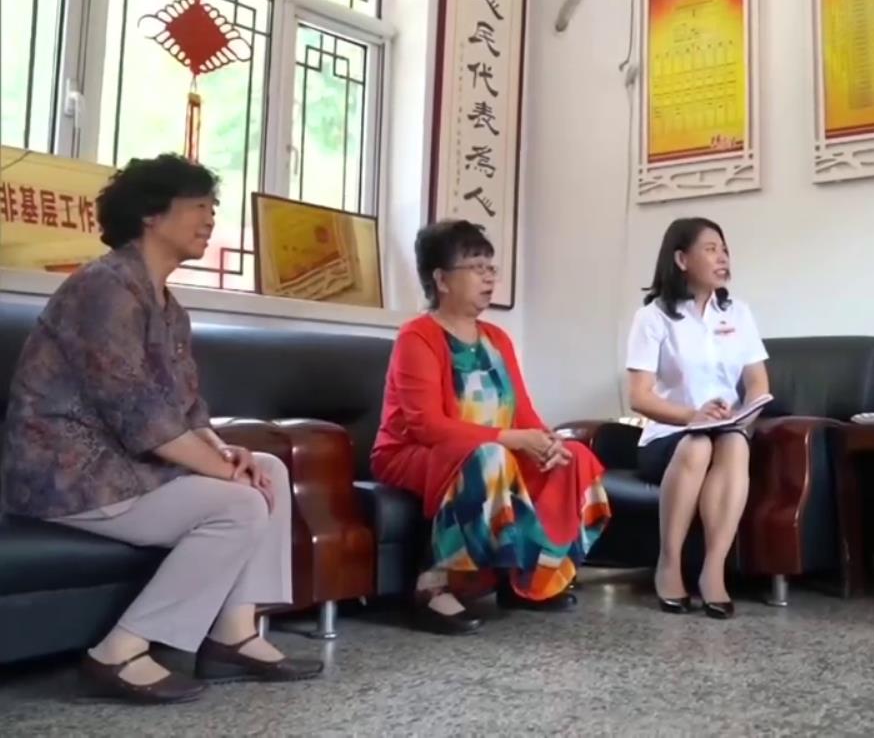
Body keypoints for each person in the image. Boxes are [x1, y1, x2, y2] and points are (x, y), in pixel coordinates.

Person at [1, 154, 321, 704]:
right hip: (66, 474)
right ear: (152, 214)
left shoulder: (168, 307)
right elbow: (136, 412)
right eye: (198, 206)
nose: (210, 218)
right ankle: (119, 651)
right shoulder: (103, 288)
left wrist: (227, 452)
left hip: (125, 468)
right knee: (239, 504)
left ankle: (233, 633)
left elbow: (186, 408)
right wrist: (222, 472)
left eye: (213, 207)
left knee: (266, 469)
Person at [372, 221, 610, 634]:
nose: (488, 277)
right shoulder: (417, 337)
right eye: (476, 267)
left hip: (493, 449)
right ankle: (433, 586)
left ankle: (527, 582)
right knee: (490, 457)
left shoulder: (497, 338)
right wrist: (510, 440)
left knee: (574, 458)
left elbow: (523, 413)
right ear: (441, 280)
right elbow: (427, 426)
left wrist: (548, 441)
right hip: (414, 454)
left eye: (490, 267)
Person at [625, 217, 770, 619]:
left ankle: (713, 570)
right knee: (697, 444)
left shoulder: (738, 313)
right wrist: (693, 416)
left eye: (725, 250)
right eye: (710, 249)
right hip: (668, 434)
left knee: (734, 444)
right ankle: (669, 563)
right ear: (681, 259)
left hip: (726, 429)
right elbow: (640, 396)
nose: (722, 257)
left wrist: (743, 417)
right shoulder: (653, 317)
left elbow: (757, 381)